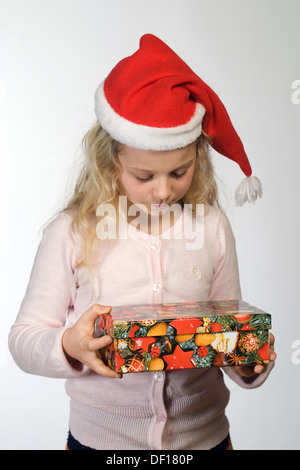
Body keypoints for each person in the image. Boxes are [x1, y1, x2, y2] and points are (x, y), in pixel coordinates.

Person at [8, 34, 276, 451]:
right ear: (108, 160)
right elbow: (23, 339)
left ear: (197, 160)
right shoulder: (73, 232)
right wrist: (68, 344)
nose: (163, 192)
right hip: (100, 442)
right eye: (144, 176)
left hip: (205, 439)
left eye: (179, 172)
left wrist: (247, 359)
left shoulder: (212, 227)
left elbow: (225, 329)